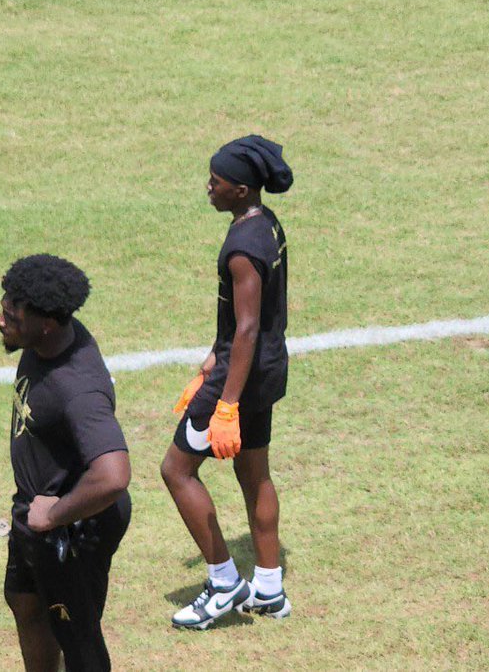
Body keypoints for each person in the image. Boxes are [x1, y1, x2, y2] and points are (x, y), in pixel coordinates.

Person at [161, 135, 294, 629]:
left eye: (215, 182)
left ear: (240, 190)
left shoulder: (241, 247)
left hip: (240, 379)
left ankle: (223, 583)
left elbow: (245, 327)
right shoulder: (267, 226)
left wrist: (225, 403)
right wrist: (208, 363)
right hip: (265, 370)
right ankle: (269, 588)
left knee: (176, 470)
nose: (208, 188)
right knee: (254, 473)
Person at [0, 254, 132, 671]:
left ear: (47, 322)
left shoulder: (77, 388)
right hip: (36, 513)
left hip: (73, 529)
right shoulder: (46, 340)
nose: (1, 322)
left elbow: (113, 476)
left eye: (12, 317)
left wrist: (53, 514)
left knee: (80, 645)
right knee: (24, 601)